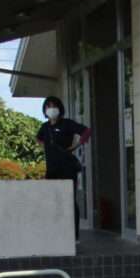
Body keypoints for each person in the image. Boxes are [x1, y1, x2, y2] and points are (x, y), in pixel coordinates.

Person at [37, 96, 90, 240]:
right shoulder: (44, 127)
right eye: (48, 106)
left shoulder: (67, 124)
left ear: (59, 108)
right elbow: (38, 138)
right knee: (53, 201)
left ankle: (74, 236)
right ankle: (58, 233)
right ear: (44, 110)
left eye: (54, 106)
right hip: (52, 170)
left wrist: (75, 146)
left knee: (69, 201)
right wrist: (46, 147)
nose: (51, 109)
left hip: (68, 169)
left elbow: (86, 131)